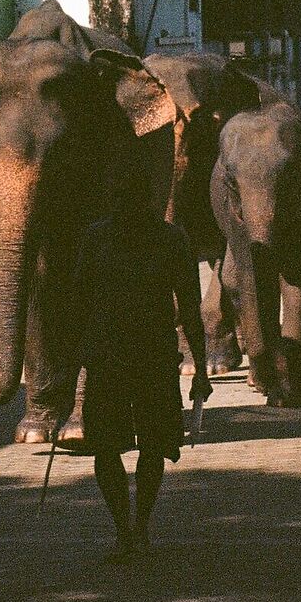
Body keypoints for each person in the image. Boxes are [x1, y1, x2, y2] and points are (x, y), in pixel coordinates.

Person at [62, 174, 211, 562]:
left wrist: (201, 368)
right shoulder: (101, 239)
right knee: (111, 447)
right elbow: (77, 304)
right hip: (115, 359)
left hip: (148, 359)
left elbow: (191, 309)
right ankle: (129, 530)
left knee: (149, 446)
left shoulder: (168, 240)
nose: (127, 212)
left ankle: (136, 529)